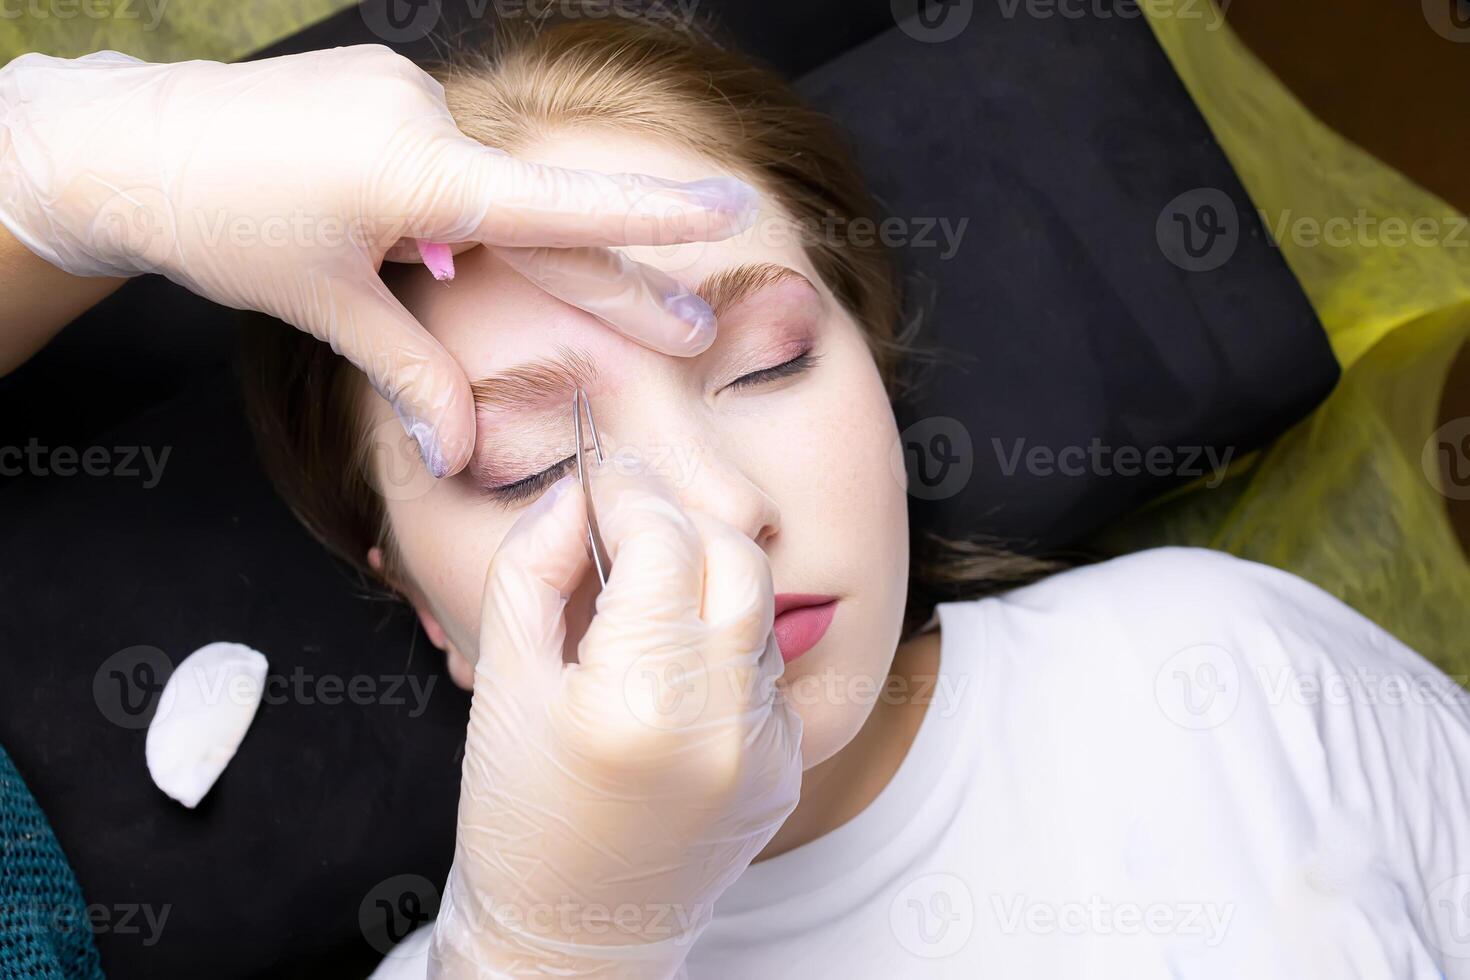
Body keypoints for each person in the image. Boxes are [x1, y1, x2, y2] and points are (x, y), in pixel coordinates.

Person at [5, 10, 1470, 980]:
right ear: (419, 597)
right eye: (522, 464)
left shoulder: (1235, 671)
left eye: (765, 367)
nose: (712, 511)